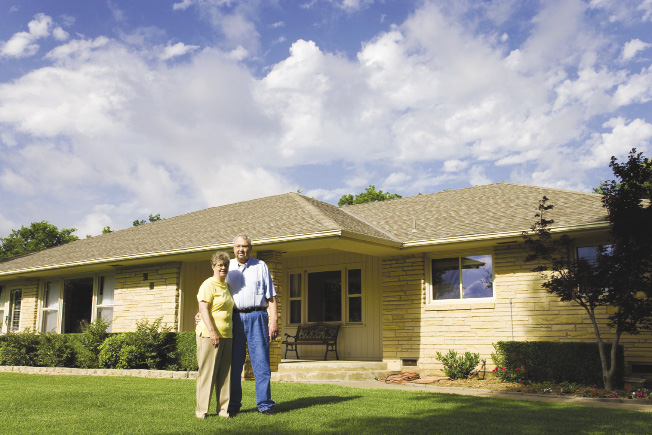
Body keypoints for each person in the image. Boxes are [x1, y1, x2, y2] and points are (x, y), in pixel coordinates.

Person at [197, 234, 278, 416]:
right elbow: (213, 295)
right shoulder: (227, 267)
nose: (242, 249)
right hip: (234, 319)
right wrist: (201, 313)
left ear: (250, 248)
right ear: (233, 248)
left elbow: (271, 297)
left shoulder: (261, 266)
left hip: (258, 316)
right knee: (234, 364)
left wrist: (273, 320)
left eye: (246, 246)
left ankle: (264, 404)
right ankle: (232, 405)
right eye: (238, 246)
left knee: (261, 363)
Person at [195, 251, 234, 419]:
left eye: (225, 265)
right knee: (207, 373)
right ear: (213, 267)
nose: (223, 267)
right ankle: (201, 411)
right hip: (210, 335)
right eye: (220, 265)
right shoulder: (208, 284)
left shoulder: (226, 286)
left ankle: (223, 410)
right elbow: (203, 309)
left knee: (225, 375)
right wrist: (212, 332)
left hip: (228, 335)